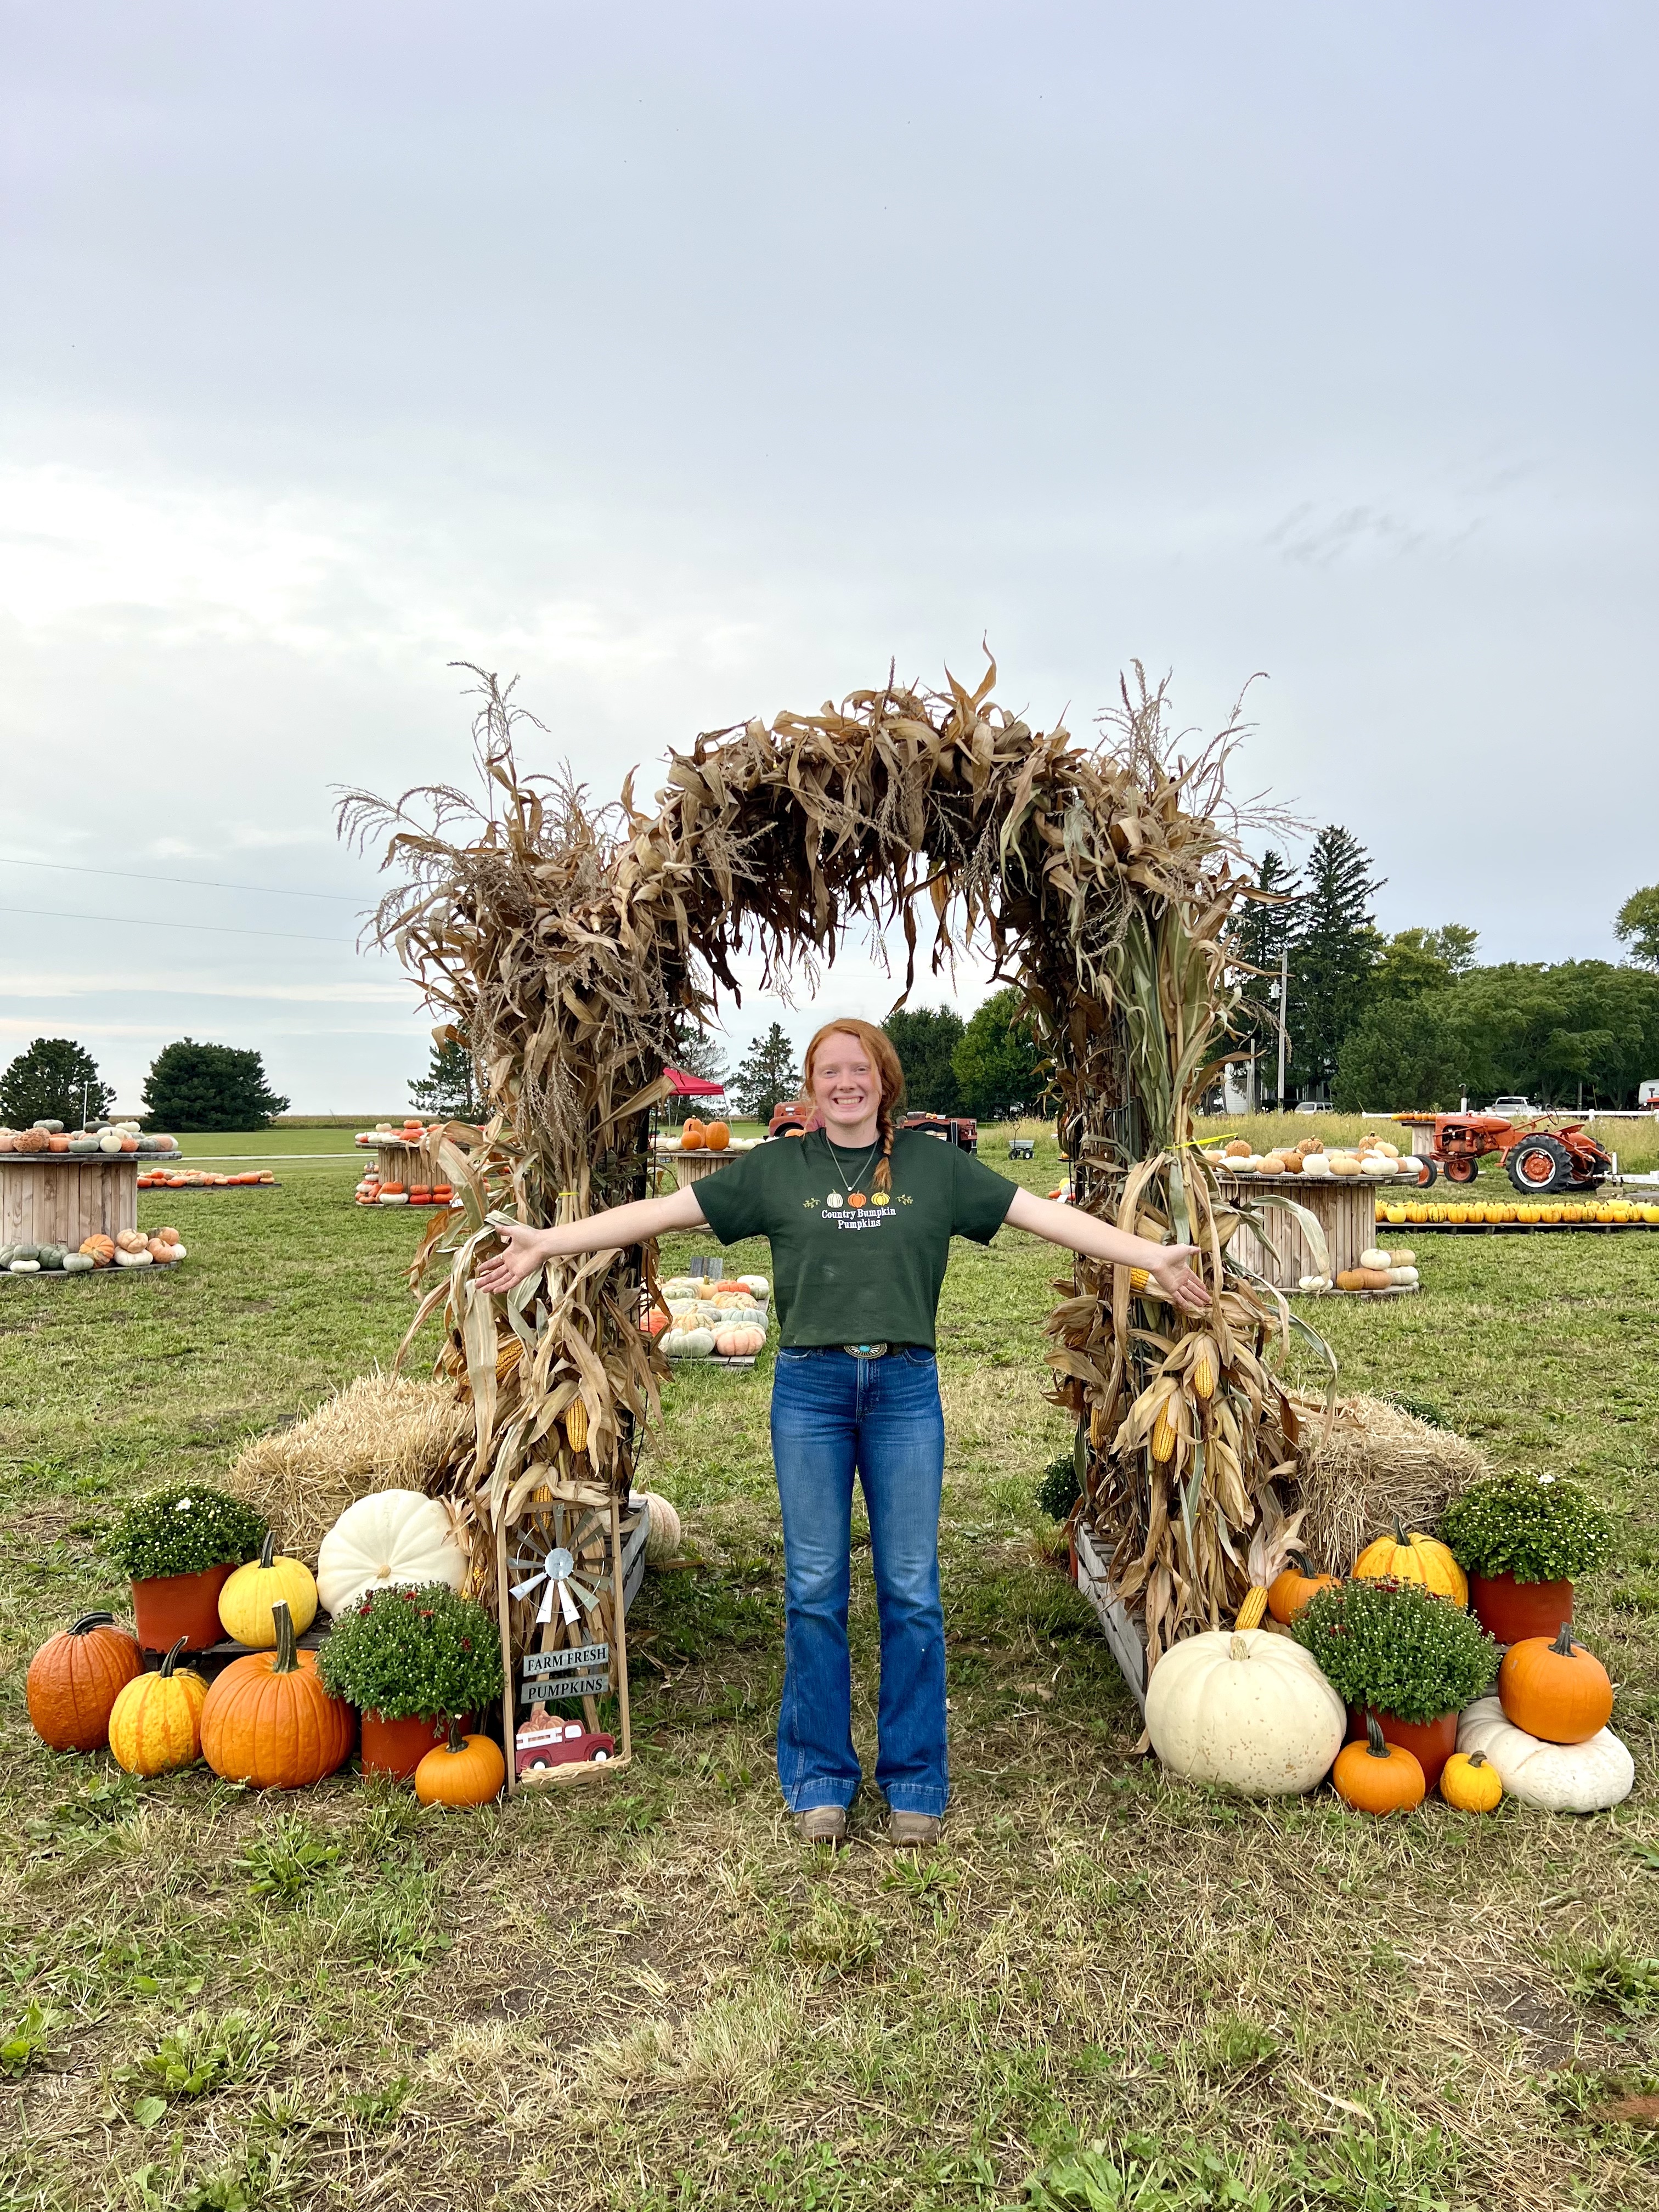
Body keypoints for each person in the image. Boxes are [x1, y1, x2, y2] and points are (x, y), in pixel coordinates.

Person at [477, 1018, 1209, 1849]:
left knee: (911, 1589)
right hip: (811, 1392)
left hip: (903, 1390)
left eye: (859, 1069)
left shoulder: (933, 1165)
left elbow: (1044, 1217)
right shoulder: (778, 1168)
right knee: (814, 1587)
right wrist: (547, 1243)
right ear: (811, 1085)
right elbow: (658, 1214)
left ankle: (915, 1779)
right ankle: (821, 1776)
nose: (845, 1083)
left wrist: (1152, 1259)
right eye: (829, 1071)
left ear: (883, 1079)